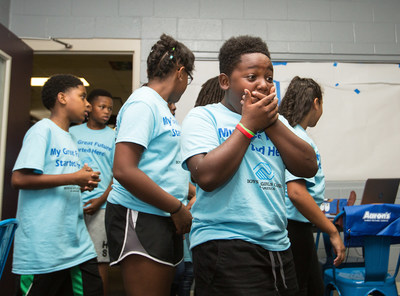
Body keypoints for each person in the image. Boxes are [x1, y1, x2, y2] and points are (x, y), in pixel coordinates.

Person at [180, 35, 320, 296]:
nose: (263, 85)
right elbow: (206, 176)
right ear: (225, 81)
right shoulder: (204, 117)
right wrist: (248, 126)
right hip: (225, 245)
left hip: (278, 245)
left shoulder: (277, 124)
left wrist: (271, 123)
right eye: (252, 77)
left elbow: (308, 165)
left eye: (269, 77)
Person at [105, 34, 194, 296]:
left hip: (159, 214)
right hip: (139, 214)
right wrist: (176, 207)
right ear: (181, 72)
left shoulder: (161, 107)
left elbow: (159, 165)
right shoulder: (143, 103)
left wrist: (189, 191)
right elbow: (123, 170)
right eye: (188, 78)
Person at [11, 74, 103, 295]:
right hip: (43, 247)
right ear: (62, 98)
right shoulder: (42, 130)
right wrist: (74, 178)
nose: (87, 103)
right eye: (82, 96)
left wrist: (82, 183)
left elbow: (57, 178)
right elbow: (19, 179)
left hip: (74, 244)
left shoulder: (69, 137)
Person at [278, 76, 345, 296]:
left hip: (297, 226)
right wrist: (332, 230)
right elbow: (296, 192)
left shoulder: (289, 133)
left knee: (312, 286)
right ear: (316, 103)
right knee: (302, 288)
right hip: (293, 228)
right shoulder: (297, 138)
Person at [70, 88, 115, 296]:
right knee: (71, 260)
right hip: (72, 204)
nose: (106, 111)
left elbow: (118, 175)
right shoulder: (73, 132)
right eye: (102, 106)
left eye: (110, 108)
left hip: (101, 207)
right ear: (90, 107)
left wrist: (100, 200)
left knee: (99, 261)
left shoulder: (114, 137)